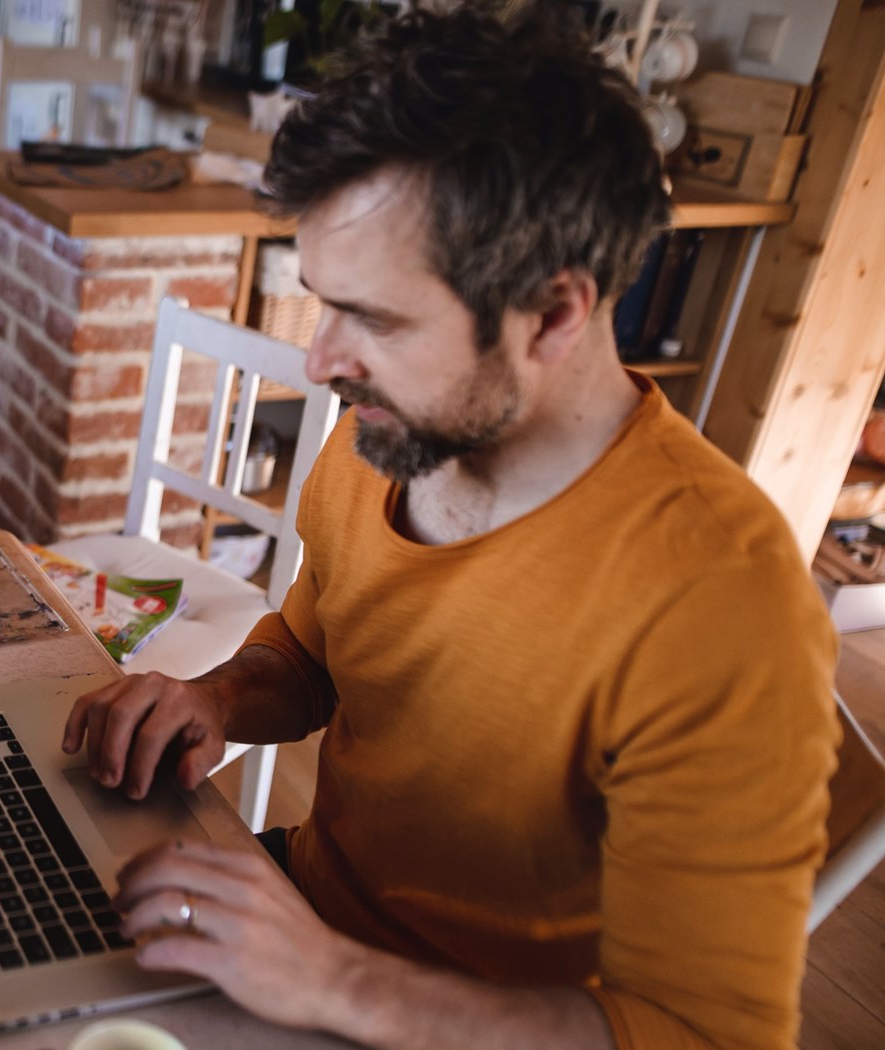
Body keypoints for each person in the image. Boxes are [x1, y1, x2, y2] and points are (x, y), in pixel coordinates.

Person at [63, 6, 839, 1047]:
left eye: (374, 319)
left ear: (555, 313)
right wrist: (213, 698)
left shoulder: (719, 603)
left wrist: (337, 984)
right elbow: (312, 656)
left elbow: (707, 1034)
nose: (318, 362)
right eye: (322, 303)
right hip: (301, 923)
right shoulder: (386, 439)